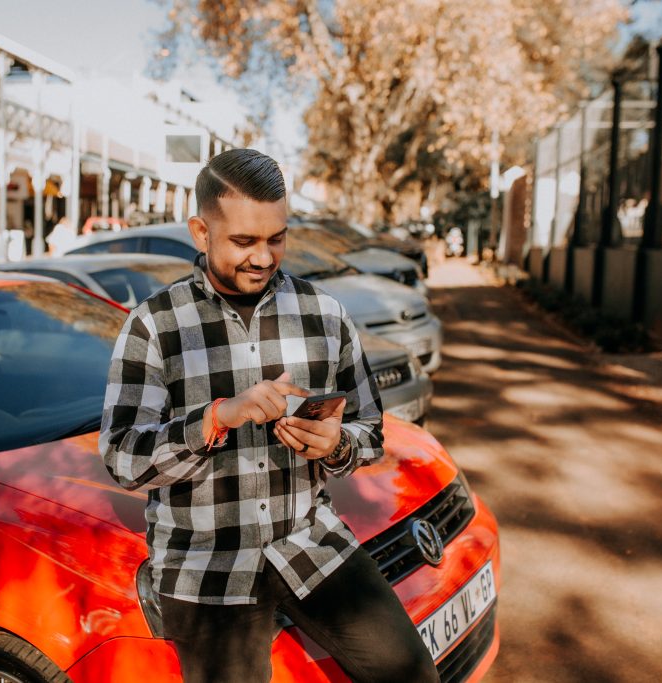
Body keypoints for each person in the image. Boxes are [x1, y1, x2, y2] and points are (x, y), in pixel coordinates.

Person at [99, 149, 439, 683]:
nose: (263, 257)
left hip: (310, 539)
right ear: (200, 232)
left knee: (413, 673)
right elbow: (122, 458)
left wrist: (336, 444)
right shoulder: (153, 327)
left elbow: (371, 431)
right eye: (243, 241)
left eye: (276, 238)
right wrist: (216, 418)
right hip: (205, 566)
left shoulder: (323, 315)